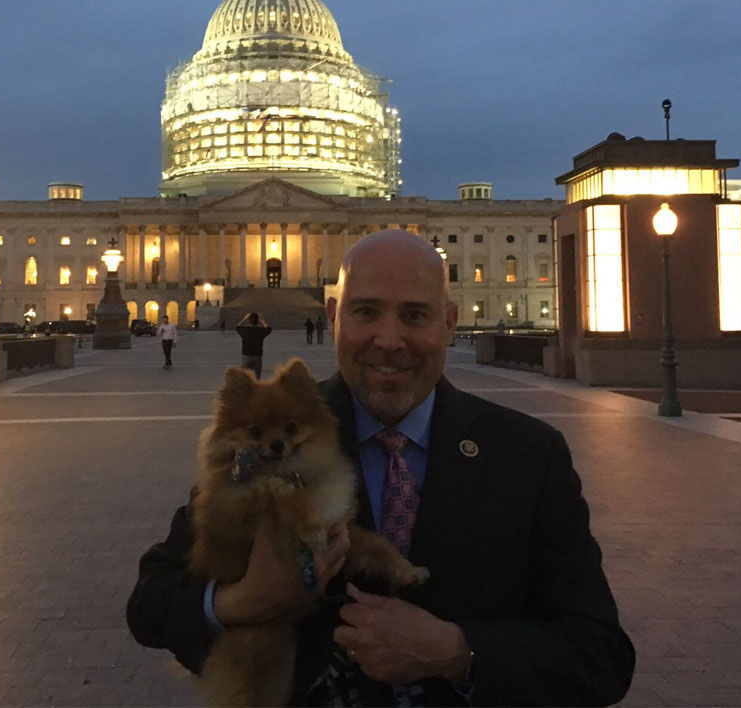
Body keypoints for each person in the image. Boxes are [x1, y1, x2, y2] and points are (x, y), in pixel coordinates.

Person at [127, 230, 634, 705]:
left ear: (450, 323)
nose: (389, 340)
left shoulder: (528, 454)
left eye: (414, 315)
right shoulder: (270, 437)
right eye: (366, 311)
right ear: (333, 318)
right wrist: (242, 602)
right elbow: (151, 602)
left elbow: (601, 654)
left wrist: (459, 652)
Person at [232, 311, 272, 379]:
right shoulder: (260, 331)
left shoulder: (245, 330)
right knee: (257, 378)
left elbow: (237, 327)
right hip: (257, 357)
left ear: (249, 321)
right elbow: (269, 329)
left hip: (246, 356)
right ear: (258, 321)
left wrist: (245, 318)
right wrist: (262, 320)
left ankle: (244, 388)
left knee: (244, 377)